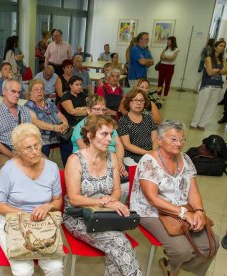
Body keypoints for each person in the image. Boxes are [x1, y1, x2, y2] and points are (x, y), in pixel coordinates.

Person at [130, 120, 219, 276]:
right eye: (173, 139)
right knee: (182, 250)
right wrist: (185, 214)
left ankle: (174, 265)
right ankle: (173, 269)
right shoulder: (148, 161)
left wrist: (199, 211)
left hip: (181, 207)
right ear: (159, 140)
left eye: (182, 139)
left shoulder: (186, 159)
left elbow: (193, 192)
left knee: (213, 243)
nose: (179, 143)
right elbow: (153, 199)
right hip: (151, 212)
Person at [64, 114, 142, 276]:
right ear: (90, 136)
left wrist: (111, 200)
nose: (110, 139)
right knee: (119, 242)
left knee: (117, 246)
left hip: (105, 214)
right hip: (78, 216)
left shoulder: (112, 157)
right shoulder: (75, 160)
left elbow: (116, 191)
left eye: (111, 134)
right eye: (104, 134)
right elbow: (74, 199)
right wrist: (103, 202)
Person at [0, 123, 64, 276]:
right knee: (23, 270)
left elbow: (58, 201)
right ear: (18, 151)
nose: (34, 152)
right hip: (12, 221)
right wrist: (23, 215)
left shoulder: (52, 168)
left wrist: (49, 206)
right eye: (28, 148)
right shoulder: (8, 169)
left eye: (37, 146)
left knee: (56, 267)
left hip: (42, 222)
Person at [71, 95, 128, 179]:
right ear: (88, 110)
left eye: (103, 109)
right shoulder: (81, 128)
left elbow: (119, 145)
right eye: (97, 109)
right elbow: (90, 153)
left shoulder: (108, 124)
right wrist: (114, 165)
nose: (101, 112)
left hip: (114, 160)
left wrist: (119, 161)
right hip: (91, 164)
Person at [0, 79, 32, 172]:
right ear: (4, 91)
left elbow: (30, 134)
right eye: (13, 91)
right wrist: (14, 156)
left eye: (19, 92)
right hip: (5, 152)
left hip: (25, 149)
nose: (17, 95)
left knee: (46, 166)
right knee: (11, 171)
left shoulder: (25, 111)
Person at [25, 79, 70, 165]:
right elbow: (35, 122)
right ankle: (42, 170)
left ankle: (68, 168)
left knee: (68, 141)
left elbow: (61, 116)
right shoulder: (28, 106)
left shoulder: (50, 103)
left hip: (58, 134)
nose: (39, 91)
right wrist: (54, 128)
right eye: (36, 89)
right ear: (30, 92)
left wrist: (65, 124)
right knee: (42, 146)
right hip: (42, 136)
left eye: (41, 89)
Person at [191, 40, 227, 130]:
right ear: (215, 47)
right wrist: (219, 70)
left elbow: (225, 71)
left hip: (218, 86)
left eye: (224, 46)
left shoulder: (223, 60)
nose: (222, 48)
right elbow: (210, 72)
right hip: (207, 85)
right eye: (220, 46)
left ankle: (202, 124)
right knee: (202, 105)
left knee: (211, 106)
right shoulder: (208, 58)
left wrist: (216, 70)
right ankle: (194, 123)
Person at [117, 88, 158, 165]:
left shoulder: (148, 118)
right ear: (129, 102)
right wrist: (148, 153)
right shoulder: (123, 121)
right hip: (131, 156)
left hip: (151, 153)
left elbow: (155, 139)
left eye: (141, 100)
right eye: (135, 100)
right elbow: (127, 145)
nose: (139, 103)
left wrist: (154, 152)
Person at [60, 76, 87, 160]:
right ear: (70, 85)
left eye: (81, 85)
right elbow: (72, 112)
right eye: (77, 85)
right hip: (70, 124)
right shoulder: (66, 97)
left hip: (84, 122)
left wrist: (79, 109)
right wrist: (84, 109)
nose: (80, 87)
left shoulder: (83, 95)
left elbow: (91, 108)